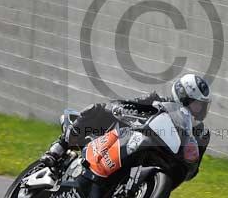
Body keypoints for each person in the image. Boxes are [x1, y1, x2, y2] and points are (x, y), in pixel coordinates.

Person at [39, 74, 212, 180]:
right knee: (97, 110)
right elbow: (127, 104)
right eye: (196, 104)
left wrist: (187, 165)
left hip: (160, 163)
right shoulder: (157, 100)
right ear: (182, 97)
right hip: (127, 135)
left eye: (202, 105)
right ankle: (58, 148)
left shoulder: (201, 134)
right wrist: (120, 110)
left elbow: (193, 170)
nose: (199, 109)